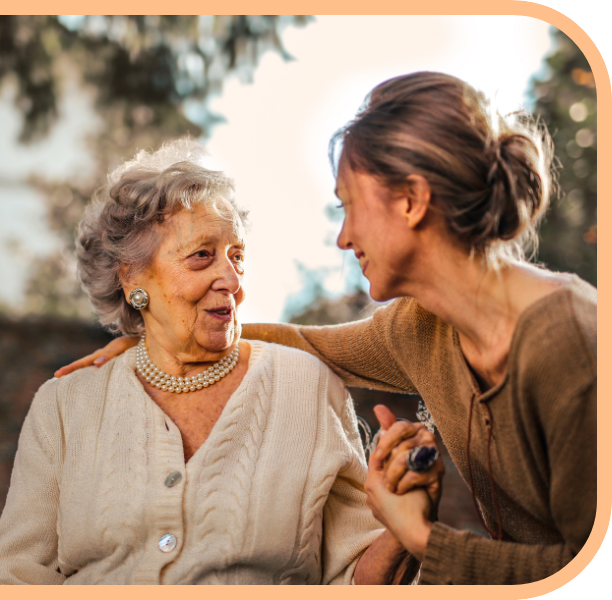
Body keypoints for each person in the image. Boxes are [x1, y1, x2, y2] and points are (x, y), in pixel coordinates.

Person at [55, 73, 597, 585]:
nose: (343, 237)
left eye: (350, 206)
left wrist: (419, 535)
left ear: (411, 201)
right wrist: (159, 329)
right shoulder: (421, 329)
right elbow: (306, 343)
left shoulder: (569, 343)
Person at [0, 139, 427, 585]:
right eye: (202, 256)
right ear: (132, 277)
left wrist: (403, 528)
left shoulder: (308, 388)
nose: (230, 278)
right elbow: (14, 573)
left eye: (237, 256)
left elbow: (353, 578)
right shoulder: (65, 405)